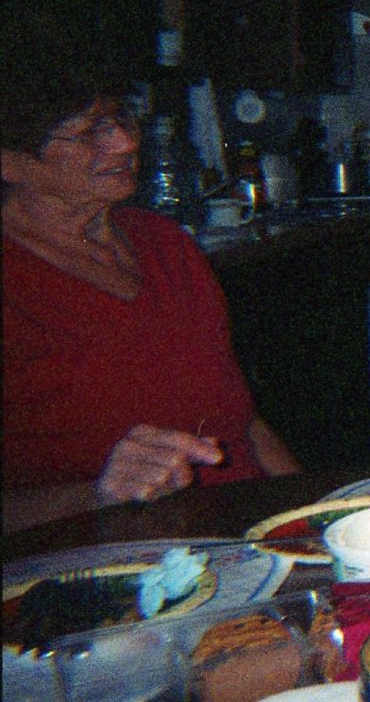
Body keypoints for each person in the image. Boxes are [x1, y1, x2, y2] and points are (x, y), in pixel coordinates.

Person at [3, 52, 301, 535]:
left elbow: (243, 423)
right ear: (10, 162)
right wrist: (97, 496)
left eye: (121, 119)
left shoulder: (165, 245)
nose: (124, 143)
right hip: (99, 560)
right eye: (90, 133)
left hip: (244, 535)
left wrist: (313, 522)